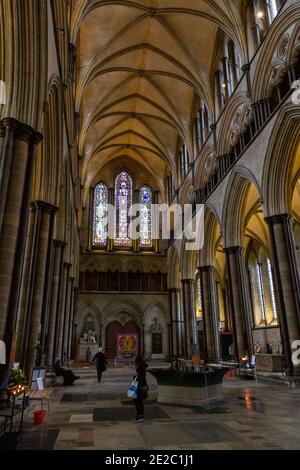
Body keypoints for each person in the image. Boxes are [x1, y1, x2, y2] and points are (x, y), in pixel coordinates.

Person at [132, 354, 149, 423]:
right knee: (139, 401)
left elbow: (141, 377)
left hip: (140, 387)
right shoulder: (142, 367)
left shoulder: (140, 367)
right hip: (141, 386)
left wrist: (135, 378)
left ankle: (140, 416)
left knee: (137, 401)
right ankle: (140, 416)